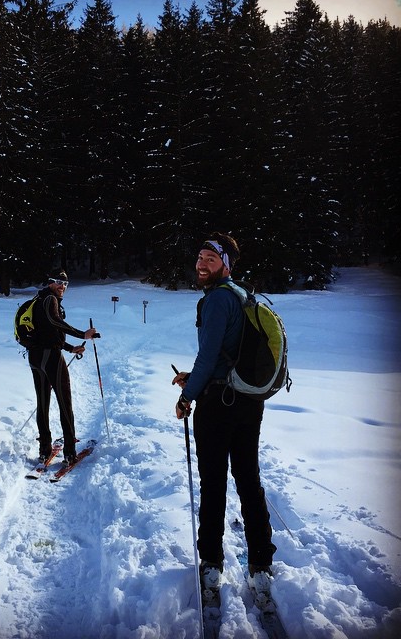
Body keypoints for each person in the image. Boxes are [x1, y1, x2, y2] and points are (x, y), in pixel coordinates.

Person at [172, 233, 276, 596]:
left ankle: (212, 563)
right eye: (200, 257)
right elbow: (226, 356)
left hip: (219, 404)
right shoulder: (243, 295)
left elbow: (208, 355)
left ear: (225, 265)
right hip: (249, 401)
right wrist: (197, 376)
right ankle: (260, 563)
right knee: (248, 478)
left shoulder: (217, 299)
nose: (202, 264)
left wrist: (186, 396)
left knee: (214, 482)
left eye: (210, 259)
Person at [28, 270, 97, 466]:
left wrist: (69, 348)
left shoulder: (39, 300)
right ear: (50, 282)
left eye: (65, 283)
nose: (62, 286)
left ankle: (44, 449)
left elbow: (47, 332)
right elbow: (55, 322)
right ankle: (69, 452)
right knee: (65, 403)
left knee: (43, 402)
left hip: (36, 357)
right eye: (59, 282)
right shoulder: (50, 299)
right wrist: (82, 334)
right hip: (51, 359)